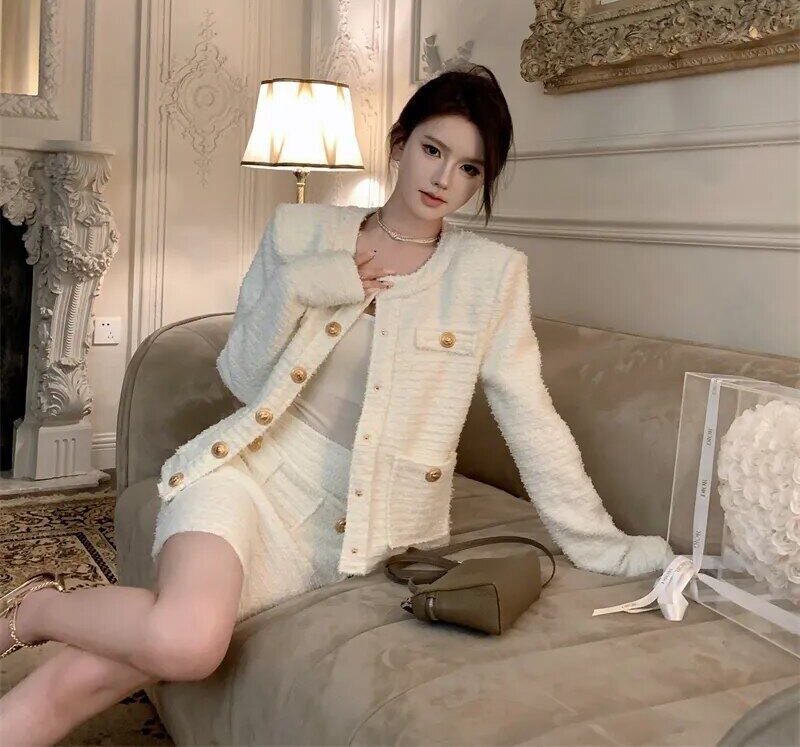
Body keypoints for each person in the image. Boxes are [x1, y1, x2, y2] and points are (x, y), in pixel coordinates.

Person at [0, 65, 670, 746]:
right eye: (433, 150)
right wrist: (311, 283)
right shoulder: (301, 233)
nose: (444, 178)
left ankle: (33, 617)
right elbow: (241, 374)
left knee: (105, 667)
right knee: (185, 641)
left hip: (356, 532)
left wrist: (606, 546)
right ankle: (39, 609)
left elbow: (532, 418)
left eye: (469, 168)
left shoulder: (489, 277)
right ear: (400, 142)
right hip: (250, 477)